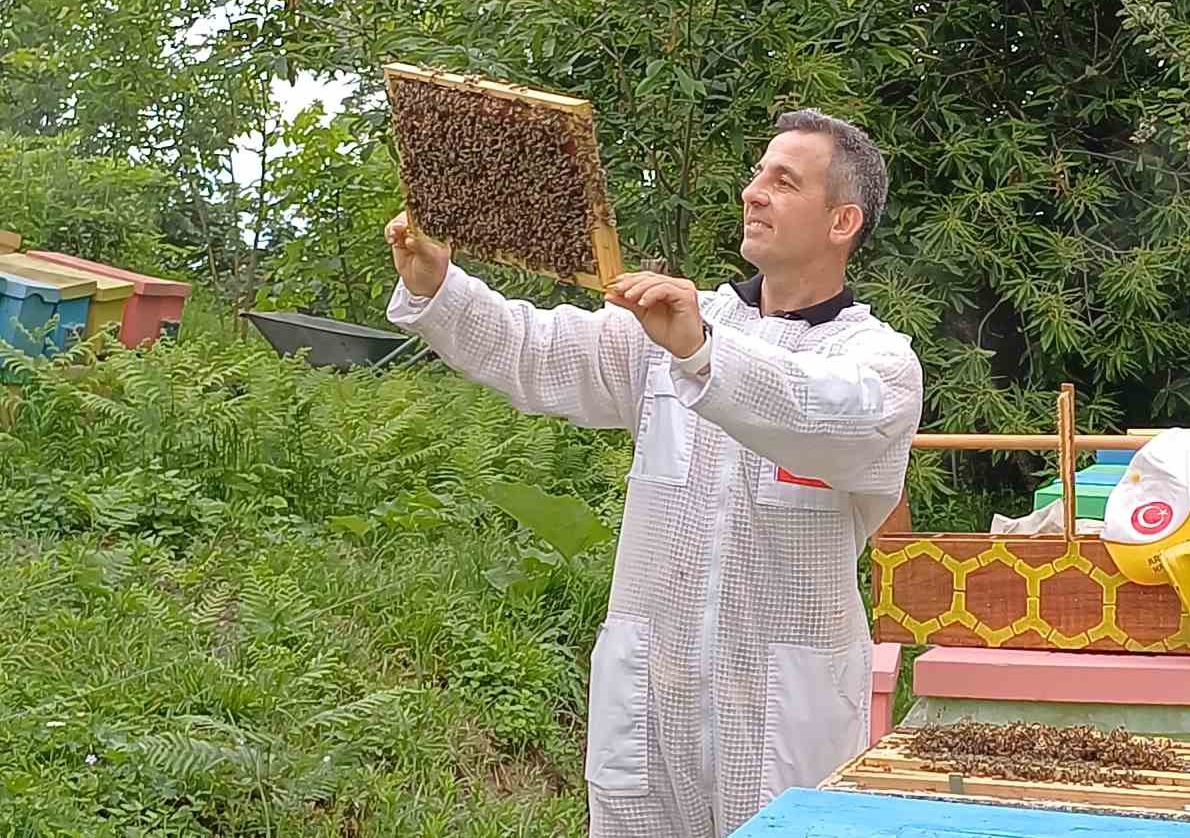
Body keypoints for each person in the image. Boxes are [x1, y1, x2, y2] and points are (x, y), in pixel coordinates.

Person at [383, 109, 924, 837]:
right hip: (650, 694)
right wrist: (441, 290)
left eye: (784, 181)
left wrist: (703, 353)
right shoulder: (673, 324)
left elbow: (819, 412)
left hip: (783, 709)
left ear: (841, 222)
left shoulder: (879, 363)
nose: (753, 191)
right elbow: (536, 350)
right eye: (757, 172)